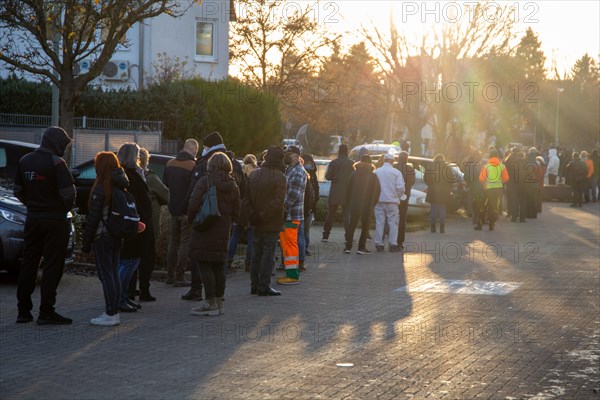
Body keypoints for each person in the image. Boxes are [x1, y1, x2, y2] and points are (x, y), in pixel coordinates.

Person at [14, 126, 76, 325]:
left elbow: (17, 191)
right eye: (64, 145)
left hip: (33, 218)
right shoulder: (57, 163)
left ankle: (23, 311)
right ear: (56, 143)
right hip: (55, 221)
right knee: (52, 265)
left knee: (29, 263)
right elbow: (69, 194)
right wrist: (60, 208)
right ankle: (46, 311)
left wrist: (33, 205)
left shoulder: (25, 161)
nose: (65, 149)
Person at [184, 132, 243, 301]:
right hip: (223, 229)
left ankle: (209, 302)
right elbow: (237, 212)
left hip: (204, 227)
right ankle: (219, 300)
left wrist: (190, 219)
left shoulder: (205, 180)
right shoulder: (233, 186)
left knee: (204, 264)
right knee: (219, 265)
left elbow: (193, 204)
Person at [81, 152, 130, 326]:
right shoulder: (119, 186)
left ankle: (111, 314)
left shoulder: (101, 187)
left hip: (102, 237)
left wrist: (85, 244)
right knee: (114, 273)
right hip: (116, 235)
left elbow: (93, 218)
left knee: (106, 275)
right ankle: (113, 311)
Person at [245, 146, 287, 296]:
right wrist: (263, 215)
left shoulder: (253, 175)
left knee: (256, 253)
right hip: (271, 222)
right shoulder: (280, 177)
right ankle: (264, 285)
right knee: (268, 255)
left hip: (255, 221)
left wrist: (253, 215)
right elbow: (278, 202)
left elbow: (246, 199)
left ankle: (254, 285)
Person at [129, 148, 169, 302]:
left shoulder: (126, 176)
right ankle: (144, 290)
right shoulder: (149, 177)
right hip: (147, 223)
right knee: (146, 258)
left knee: (131, 257)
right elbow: (166, 195)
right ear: (146, 160)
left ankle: (130, 290)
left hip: (131, 222)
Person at [117, 143, 153, 312]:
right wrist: (141, 214)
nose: (139, 158)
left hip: (137, 222)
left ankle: (123, 296)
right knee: (129, 262)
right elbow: (133, 199)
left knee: (131, 261)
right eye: (137, 154)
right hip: (135, 223)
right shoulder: (129, 175)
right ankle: (119, 297)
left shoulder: (129, 173)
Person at [164, 139, 198, 289]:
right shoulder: (193, 166)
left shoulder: (169, 163)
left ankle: (169, 276)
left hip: (173, 208)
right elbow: (194, 189)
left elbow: (165, 183)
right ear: (194, 151)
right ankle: (180, 276)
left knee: (173, 241)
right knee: (185, 242)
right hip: (186, 210)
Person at [278, 146, 307, 285]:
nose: (287, 156)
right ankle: (290, 273)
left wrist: (282, 208)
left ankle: (292, 276)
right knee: (287, 245)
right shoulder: (291, 169)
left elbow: (293, 194)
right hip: (289, 215)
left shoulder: (298, 171)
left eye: (289, 154)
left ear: (296, 156)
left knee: (290, 245)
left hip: (291, 215)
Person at [227, 154, 258, 273]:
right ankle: (248, 264)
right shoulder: (256, 175)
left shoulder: (239, 174)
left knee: (234, 236)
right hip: (250, 209)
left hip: (239, 208)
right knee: (251, 238)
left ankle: (229, 261)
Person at [344, 155, 380, 254]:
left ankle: (348, 247)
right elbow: (377, 192)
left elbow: (347, 189)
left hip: (354, 204)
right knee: (365, 227)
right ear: (370, 163)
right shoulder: (373, 176)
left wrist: (348, 203)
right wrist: (373, 204)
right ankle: (361, 247)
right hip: (367, 206)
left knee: (352, 225)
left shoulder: (354, 174)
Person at [321, 144, 354, 242]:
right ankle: (348, 236)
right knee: (347, 215)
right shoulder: (352, 163)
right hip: (347, 192)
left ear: (339, 151)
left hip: (335, 191)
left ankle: (325, 236)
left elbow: (327, 176)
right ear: (347, 151)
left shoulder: (334, 163)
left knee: (330, 214)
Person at [373, 153, 405, 251]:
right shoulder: (396, 172)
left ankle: (379, 244)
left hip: (379, 201)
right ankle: (393, 244)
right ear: (392, 161)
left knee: (379, 223)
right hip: (392, 201)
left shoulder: (376, 172)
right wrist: (398, 197)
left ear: (384, 160)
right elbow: (401, 188)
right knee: (393, 223)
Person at [477, 150, 509, 231]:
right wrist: (500, 181)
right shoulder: (502, 166)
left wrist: (485, 186)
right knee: (494, 207)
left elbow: (481, 178)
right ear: (498, 156)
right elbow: (506, 178)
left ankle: (480, 225)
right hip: (498, 189)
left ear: (490, 157)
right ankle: (491, 225)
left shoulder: (486, 166)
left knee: (483, 206)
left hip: (488, 189)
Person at [425, 154, 454, 233]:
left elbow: (426, 179)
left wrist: (430, 185)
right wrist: (448, 187)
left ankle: (433, 228)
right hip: (444, 191)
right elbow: (451, 179)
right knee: (442, 209)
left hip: (433, 191)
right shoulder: (447, 168)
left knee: (433, 209)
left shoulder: (430, 167)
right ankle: (442, 228)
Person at [393, 151, 415, 249]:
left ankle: (390, 238)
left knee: (391, 217)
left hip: (393, 196)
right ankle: (400, 241)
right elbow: (412, 182)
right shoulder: (410, 169)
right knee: (402, 218)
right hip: (405, 196)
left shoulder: (393, 167)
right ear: (406, 159)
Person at [301, 154, 319, 256]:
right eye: (306, 162)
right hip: (302, 206)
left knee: (306, 230)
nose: (308, 164)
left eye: (310, 162)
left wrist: (315, 200)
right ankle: (303, 248)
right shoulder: (301, 173)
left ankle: (305, 247)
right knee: (303, 230)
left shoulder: (313, 174)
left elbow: (316, 189)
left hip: (310, 207)